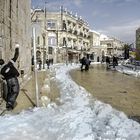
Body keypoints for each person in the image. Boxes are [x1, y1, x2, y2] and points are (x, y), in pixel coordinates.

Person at [0, 46, 20, 110]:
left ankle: (9, 102)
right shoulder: (10, 63)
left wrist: (5, 77)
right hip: (13, 79)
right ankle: (10, 104)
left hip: (8, 81)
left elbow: (3, 77)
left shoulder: (1, 71)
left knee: (10, 91)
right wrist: (17, 48)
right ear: (4, 62)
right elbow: (16, 56)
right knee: (15, 91)